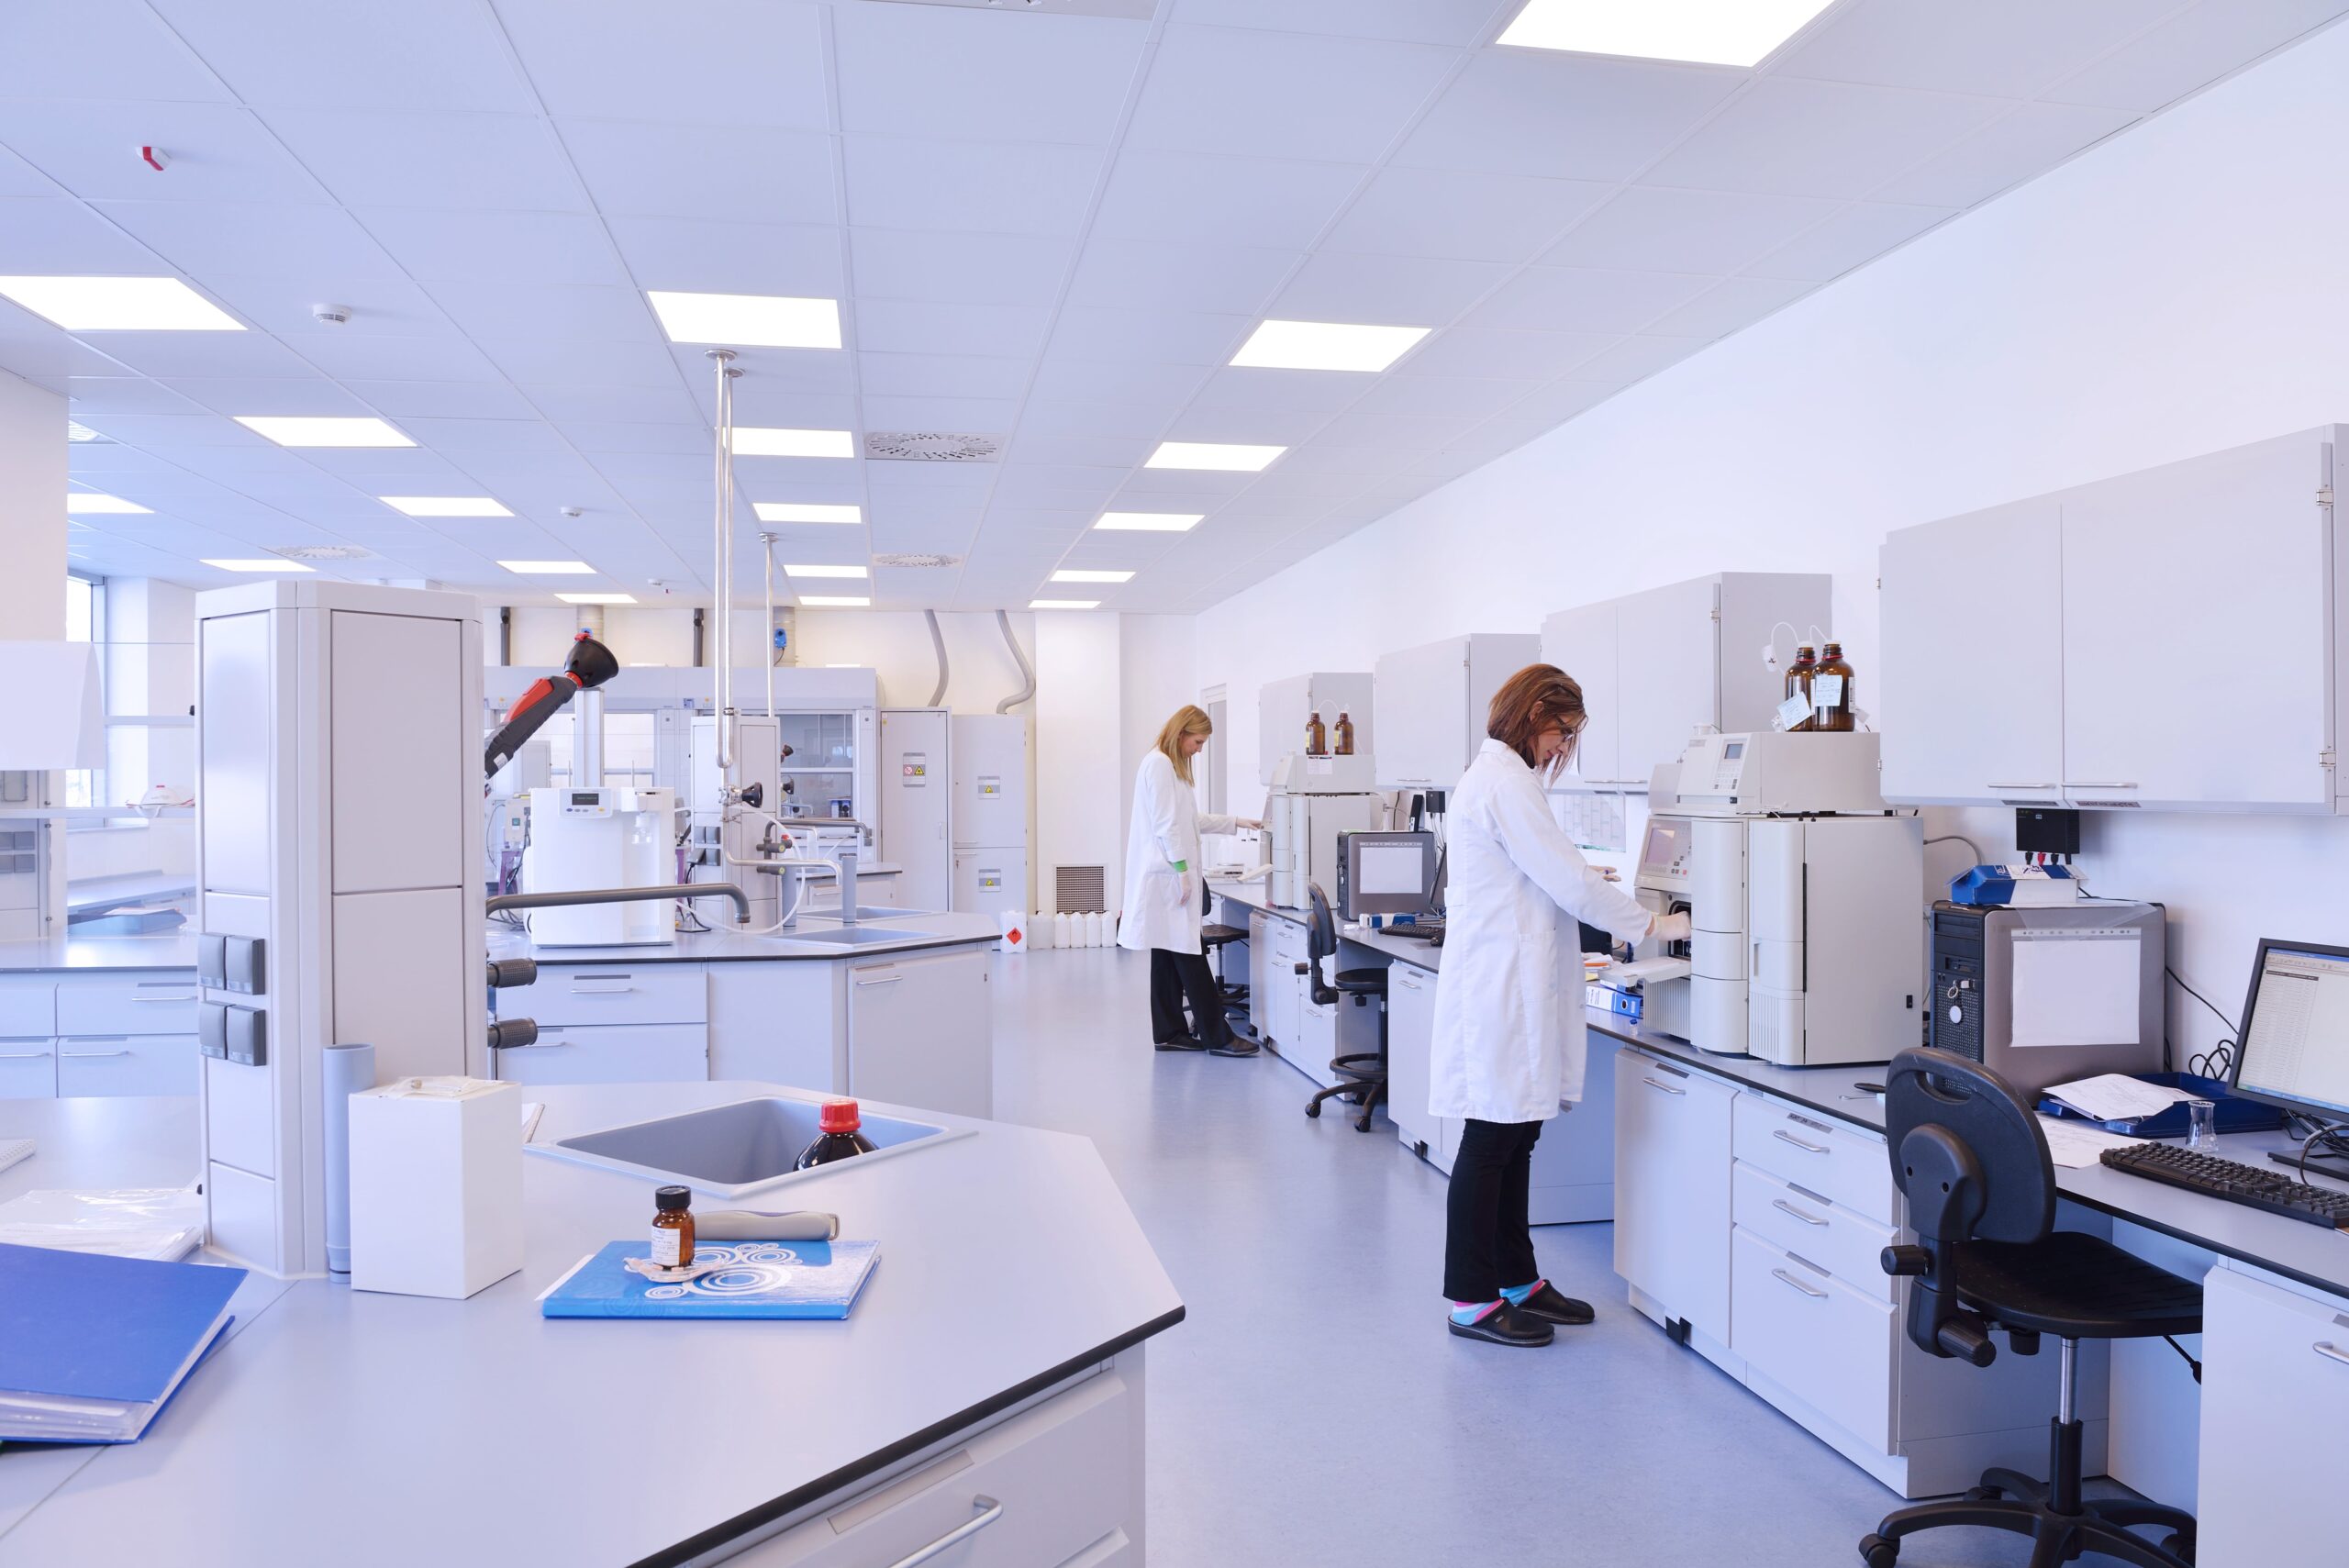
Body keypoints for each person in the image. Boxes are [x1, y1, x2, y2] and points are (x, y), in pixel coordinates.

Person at [1431, 664, 1692, 1348]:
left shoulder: (1502, 779)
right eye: (1562, 732)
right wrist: (1654, 926)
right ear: (1535, 711)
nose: (1561, 748)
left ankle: (1518, 1280)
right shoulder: (1505, 782)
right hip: (1498, 989)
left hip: (1512, 983)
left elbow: (1553, 875)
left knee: (1518, 1134)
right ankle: (1470, 1299)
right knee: (1491, 1140)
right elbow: (1567, 879)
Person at [1118, 706, 1264, 1057]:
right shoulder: (1159, 764)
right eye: (1197, 741)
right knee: (1190, 956)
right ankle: (1219, 1037)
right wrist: (1183, 872)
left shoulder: (1169, 766)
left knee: (1167, 956)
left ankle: (1168, 1032)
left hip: (1169, 876)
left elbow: (1189, 819)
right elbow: (1167, 826)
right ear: (1181, 733)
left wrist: (1238, 821)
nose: (1199, 749)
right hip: (1167, 877)